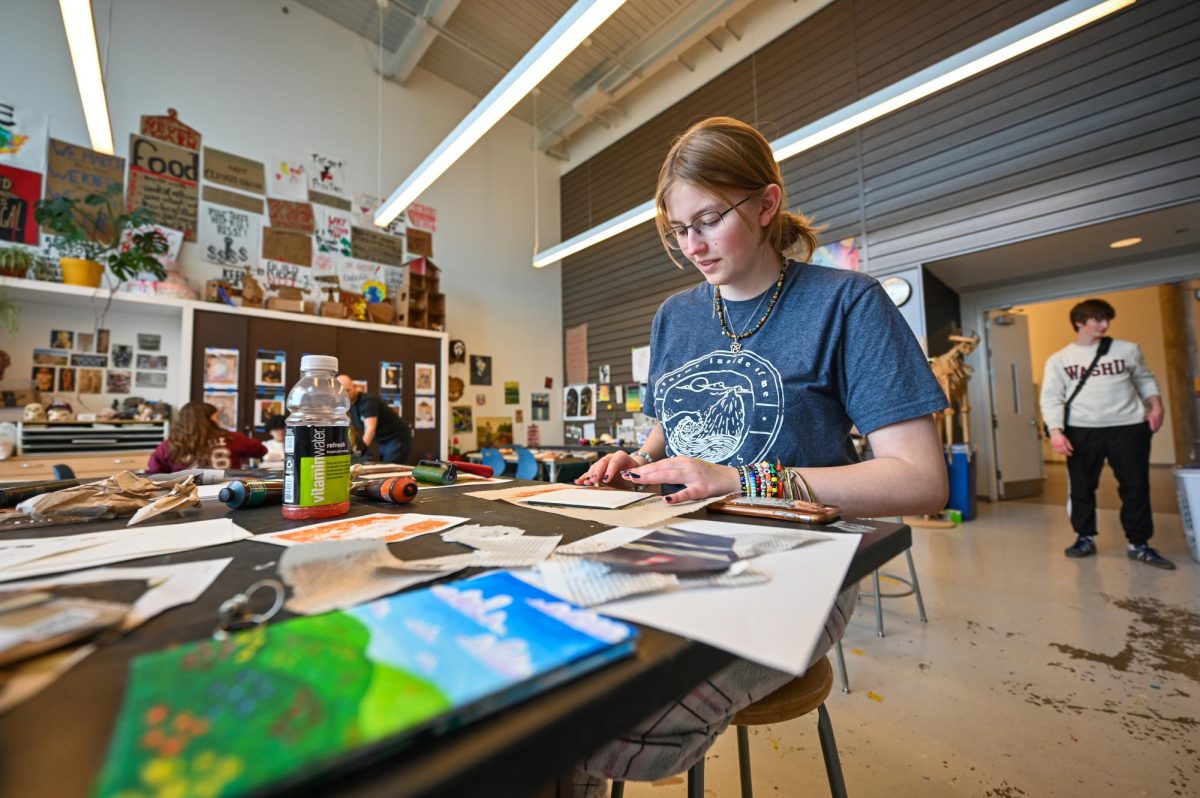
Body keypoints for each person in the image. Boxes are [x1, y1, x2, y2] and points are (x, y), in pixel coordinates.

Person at [572, 117, 949, 795]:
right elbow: (666, 430)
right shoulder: (675, 316)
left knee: (609, 719)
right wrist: (634, 461)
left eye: (709, 220)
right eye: (677, 229)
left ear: (767, 203)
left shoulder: (848, 304)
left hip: (799, 566)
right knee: (545, 680)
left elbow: (922, 480)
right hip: (668, 545)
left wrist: (744, 477)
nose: (692, 245)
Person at [1039, 298, 1172, 569]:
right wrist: (1055, 431)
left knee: (1135, 486)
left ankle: (1139, 543)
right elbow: (1051, 397)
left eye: (1107, 319)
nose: (1104, 324)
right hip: (1082, 430)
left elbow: (1144, 378)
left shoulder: (1127, 350)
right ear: (1079, 322)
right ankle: (1084, 537)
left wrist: (1156, 405)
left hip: (1128, 427)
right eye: (1097, 319)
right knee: (1082, 487)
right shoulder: (1060, 359)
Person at [146, 401, 266, 473]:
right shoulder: (231, 438)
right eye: (217, 418)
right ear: (207, 421)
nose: (219, 422)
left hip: (185, 499)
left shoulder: (169, 445)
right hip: (230, 495)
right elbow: (261, 450)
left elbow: (153, 474)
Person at [337, 374, 412, 464]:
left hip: (397, 437)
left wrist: (360, 452)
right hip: (384, 441)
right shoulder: (350, 406)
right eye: (342, 392)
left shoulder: (368, 401)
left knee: (390, 468)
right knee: (385, 466)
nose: (346, 395)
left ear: (355, 387)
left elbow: (370, 430)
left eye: (348, 390)